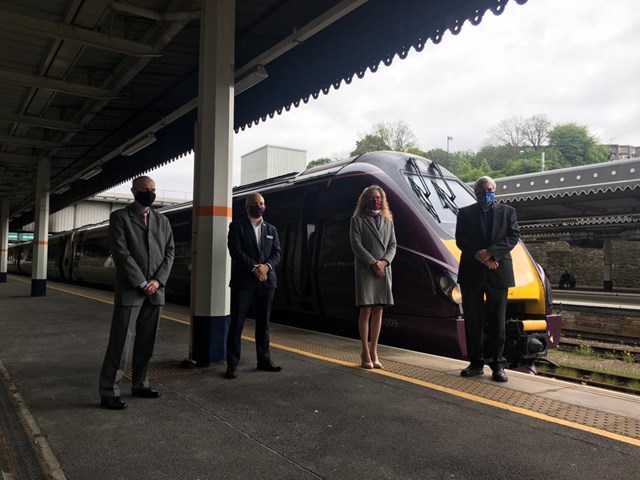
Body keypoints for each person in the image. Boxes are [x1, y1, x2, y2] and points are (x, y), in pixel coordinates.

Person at [99, 176, 175, 409]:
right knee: (120, 343)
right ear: (133, 191)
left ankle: (141, 383)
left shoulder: (162, 221)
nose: (150, 193)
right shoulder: (120, 218)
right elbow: (121, 254)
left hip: (155, 291)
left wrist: (158, 281)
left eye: (153, 189)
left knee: (146, 342)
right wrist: (142, 282)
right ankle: (109, 391)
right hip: (132, 291)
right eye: (145, 190)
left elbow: (170, 253)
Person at [455, 176, 519, 382]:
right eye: (482, 190)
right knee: (473, 320)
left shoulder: (508, 212)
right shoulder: (464, 213)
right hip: (472, 273)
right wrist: (480, 256)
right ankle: (475, 363)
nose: (486, 193)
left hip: (498, 272)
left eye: (489, 189)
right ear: (476, 192)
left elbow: (513, 236)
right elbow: (461, 239)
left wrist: (491, 253)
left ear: (495, 191)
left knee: (497, 321)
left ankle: (498, 365)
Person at [225, 192, 282, 379]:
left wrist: (266, 267)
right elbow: (235, 251)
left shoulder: (271, 229)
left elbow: (277, 253)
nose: (260, 206)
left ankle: (264, 360)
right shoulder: (236, 226)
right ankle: (232, 364)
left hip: (267, 282)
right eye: (256, 203)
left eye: (262, 203)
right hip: (244, 282)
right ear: (246, 206)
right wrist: (254, 268)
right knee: (237, 323)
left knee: (263, 323)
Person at [349, 185, 397, 370]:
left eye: (378, 197)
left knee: (379, 310)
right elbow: (356, 246)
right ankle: (364, 351)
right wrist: (373, 263)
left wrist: (384, 262)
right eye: (372, 197)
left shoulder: (388, 220)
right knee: (366, 309)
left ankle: (374, 351)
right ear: (364, 200)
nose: (375, 200)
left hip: (384, 271)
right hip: (366, 270)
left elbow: (393, 244)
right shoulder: (357, 220)